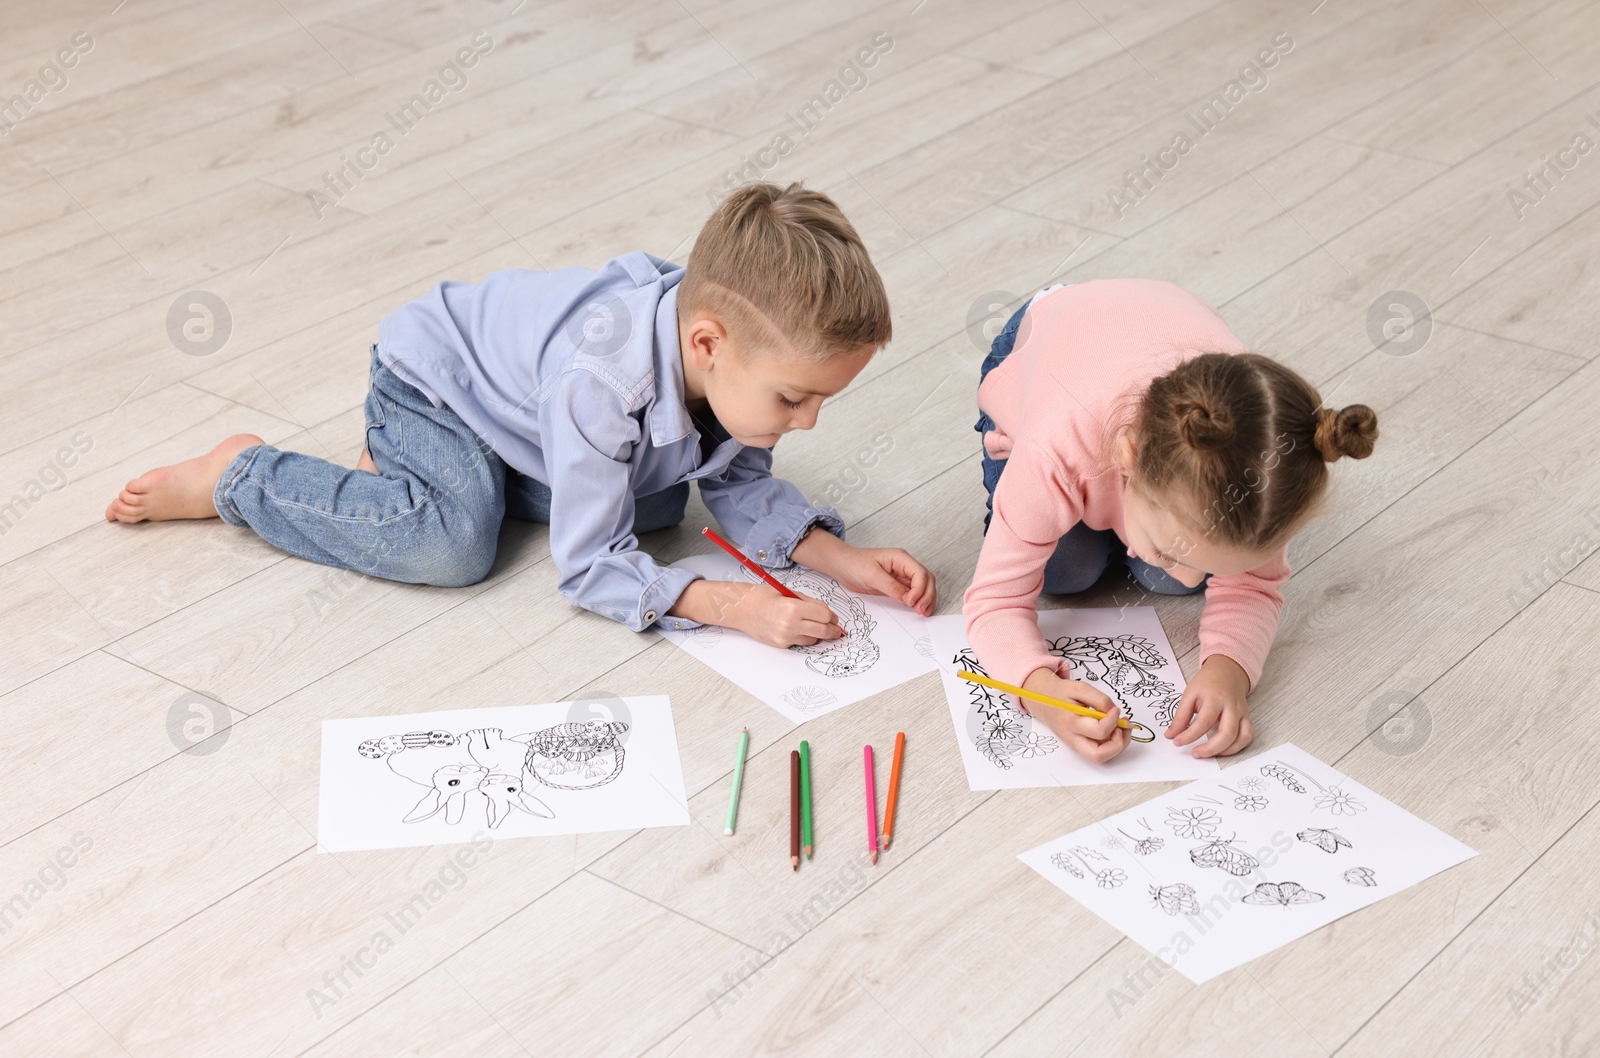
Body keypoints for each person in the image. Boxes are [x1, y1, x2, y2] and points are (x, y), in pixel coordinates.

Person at [106, 183, 936, 645]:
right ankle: (243, 474)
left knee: (654, 504)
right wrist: (733, 606)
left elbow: (738, 479)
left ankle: (416, 471)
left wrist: (838, 556)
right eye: (794, 400)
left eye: (823, 400)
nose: (809, 422)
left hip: (528, 415)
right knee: (455, 541)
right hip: (433, 384)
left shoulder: (723, 349)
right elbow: (585, 569)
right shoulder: (601, 378)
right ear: (709, 343)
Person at [965, 280, 1377, 760]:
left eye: (1207, 566)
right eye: (1172, 552)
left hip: (1160, 339)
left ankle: (1135, 533)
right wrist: (1041, 693)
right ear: (1128, 457)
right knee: (1067, 571)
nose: (1188, 576)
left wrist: (1228, 669)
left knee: (1164, 581)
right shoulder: (1054, 450)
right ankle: (1115, 526)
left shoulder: (1259, 474)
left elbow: (1253, 588)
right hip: (1043, 343)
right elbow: (993, 602)